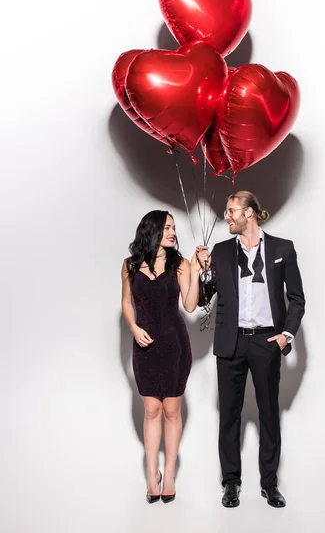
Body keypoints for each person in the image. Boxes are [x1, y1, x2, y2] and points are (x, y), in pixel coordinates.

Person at [196, 191, 305, 508]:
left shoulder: (283, 249)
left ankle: (270, 484)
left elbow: (297, 298)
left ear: (251, 213)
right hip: (231, 342)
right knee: (229, 415)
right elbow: (204, 300)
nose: (226, 216)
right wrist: (203, 271)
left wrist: (286, 335)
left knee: (269, 414)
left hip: (266, 341)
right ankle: (230, 483)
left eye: (231, 211)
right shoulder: (220, 251)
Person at [121, 210, 200, 504]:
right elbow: (126, 302)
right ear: (152, 229)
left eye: (174, 228)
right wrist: (133, 327)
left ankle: (169, 474)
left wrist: (195, 272)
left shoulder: (179, 264)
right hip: (145, 347)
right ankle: (150, 473)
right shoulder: (129, 266)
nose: (173, 232)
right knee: (151, 412)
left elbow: (190, 306)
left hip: (175, 346)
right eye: (168, 227)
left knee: (171, 412)